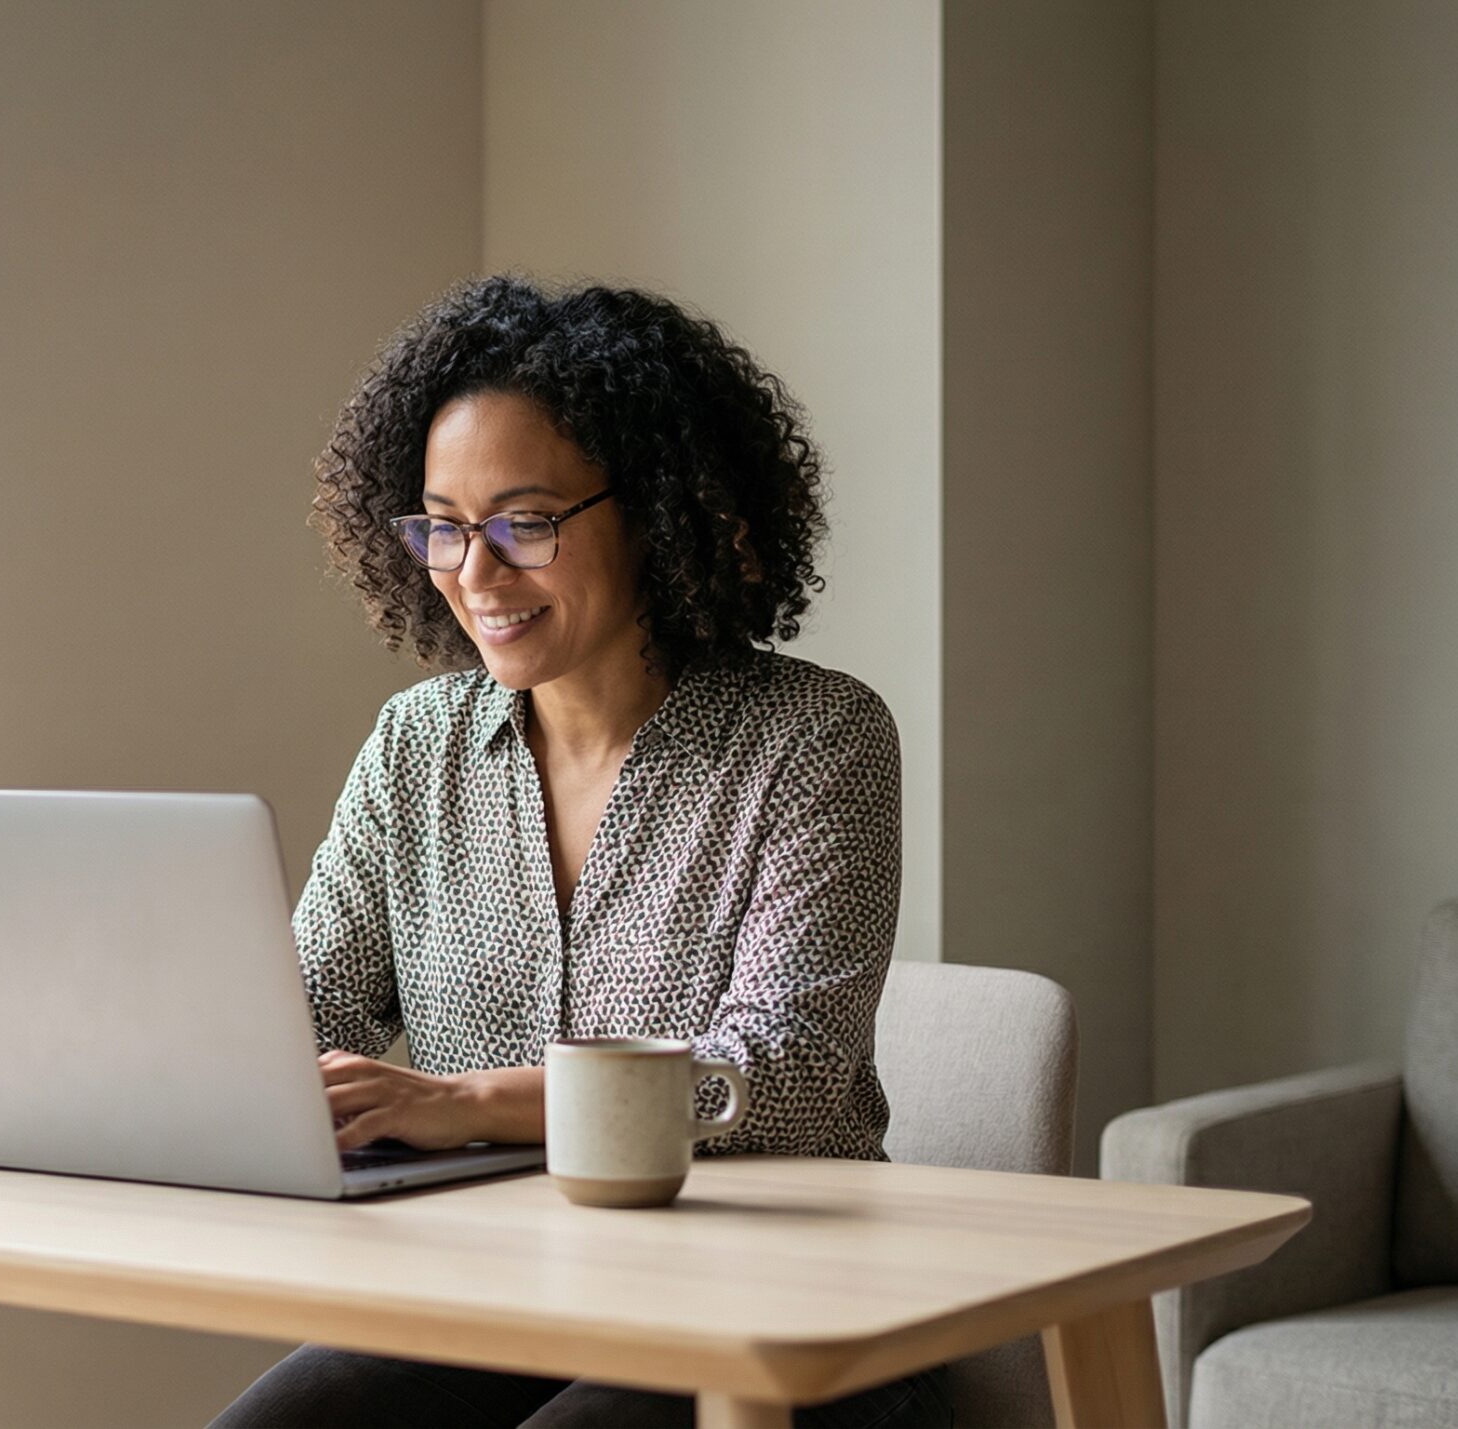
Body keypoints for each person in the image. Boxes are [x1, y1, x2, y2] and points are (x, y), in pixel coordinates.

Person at [213, 276, 952, 1428]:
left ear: (663, 510)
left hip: (784, 1318)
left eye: (525, 522)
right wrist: (115, 1084)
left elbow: (785, 1076)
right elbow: (306, 1012)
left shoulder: (816, 738)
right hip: (493, 1302)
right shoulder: (419, 744)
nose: (475, 573)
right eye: (443, 527)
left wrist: (463, 1100)